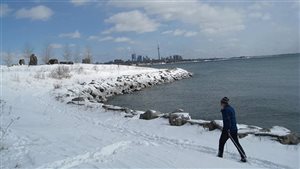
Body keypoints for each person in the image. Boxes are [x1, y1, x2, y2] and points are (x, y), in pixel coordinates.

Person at [218, 97, 247, 162]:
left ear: (224, 103)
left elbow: (228, 120)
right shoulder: (230, 108)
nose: (220, 104)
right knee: (236, 143)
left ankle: (220, 155)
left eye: (221, 103)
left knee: (222, 142)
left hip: (228, 130)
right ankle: (243, 156)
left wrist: (228, 129)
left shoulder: (226, 110)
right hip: (233, 129)